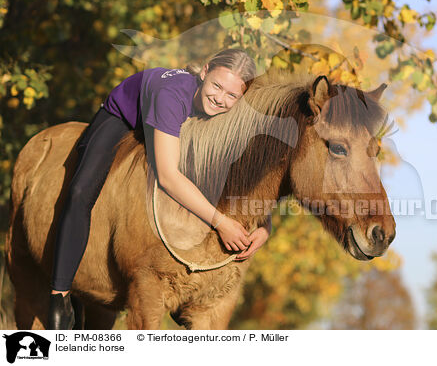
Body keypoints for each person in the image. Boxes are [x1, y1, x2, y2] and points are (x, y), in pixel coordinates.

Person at [47, 49, 270, 330]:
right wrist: (221, 222)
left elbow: (247, 178)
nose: (220, 99)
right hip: (126, 118)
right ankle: (60, 295)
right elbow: (167, 176)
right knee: (80, 191)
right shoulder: (172, 95)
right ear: (204, 72)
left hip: (175, 126)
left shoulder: (231, 113)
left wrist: (265, 226)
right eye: (216, 86)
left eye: (231, 95)